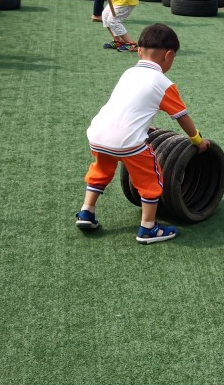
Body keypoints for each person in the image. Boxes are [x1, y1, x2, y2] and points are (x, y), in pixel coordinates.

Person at [76, 23, 209, 243]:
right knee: (151, 179)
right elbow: (181, 116)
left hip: (98, 135)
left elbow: (127, 106)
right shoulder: (163, 82)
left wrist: (144, 126)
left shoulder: (129, 73)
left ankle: (86, 212)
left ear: (139, 51)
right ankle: (148, 228)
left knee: (101, 171)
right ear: (168, 55)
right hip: (128, 142)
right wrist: (197, 140)